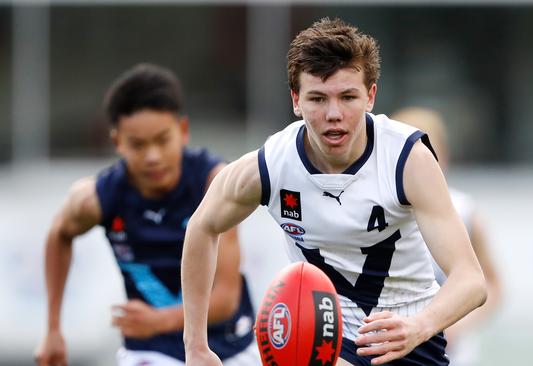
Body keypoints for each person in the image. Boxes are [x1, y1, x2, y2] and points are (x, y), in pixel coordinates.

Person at [181, 18, 487, 366]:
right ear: (296, 100)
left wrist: (418, 326)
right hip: (324, 340)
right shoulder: (270, 165)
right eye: (317, 98)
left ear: (370, 95)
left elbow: (472, 280)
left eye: (348, 97)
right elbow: (202, 227)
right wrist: (195, 347)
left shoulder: (407, 158)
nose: (333, 114)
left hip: (407, 338)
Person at [34, 63, 259, 366]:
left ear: (182, 131)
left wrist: (158, 320)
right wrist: (52, 329)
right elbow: (59, 233)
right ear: (117, 142)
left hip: (227, 346)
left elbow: (225, 300)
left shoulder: (215, 184)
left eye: (162, 140)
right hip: (151, 350)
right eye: (138, 145)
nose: (152, 156)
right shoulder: (96, 198)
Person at [391, 106, 502, 366]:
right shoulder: (375, 211)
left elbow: (492, 284)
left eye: (430, 153)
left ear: (445, 156)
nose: (421, 162)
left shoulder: (464, 211)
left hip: (453, 355)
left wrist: (455, 324)